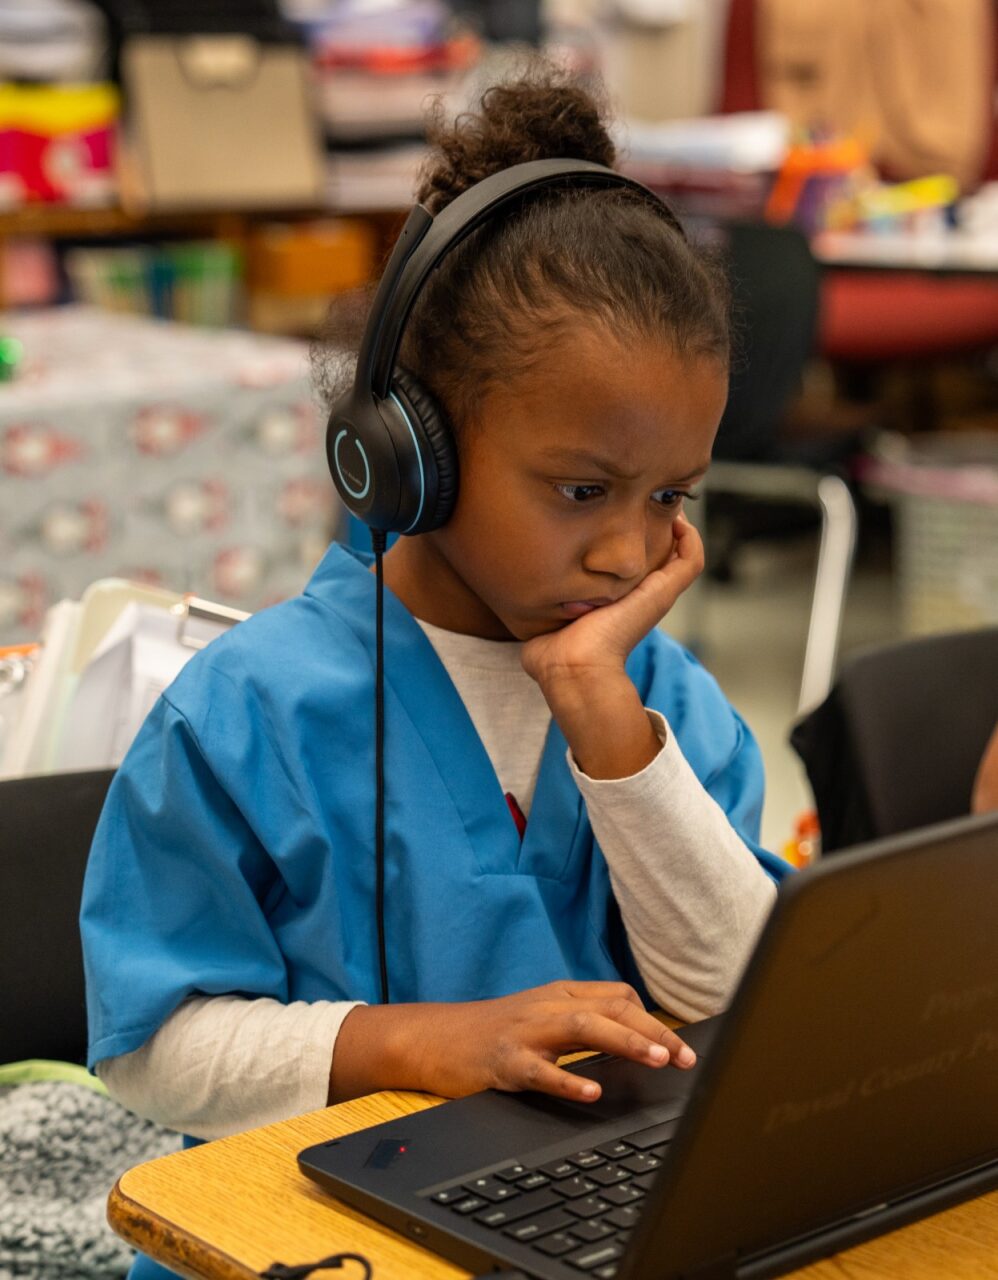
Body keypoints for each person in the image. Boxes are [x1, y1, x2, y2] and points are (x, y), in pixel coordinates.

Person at [80, 64, 789, 1279]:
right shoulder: (250, 709)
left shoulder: (662, 706)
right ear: (411, 448)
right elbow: (153, 1048)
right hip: (288, 1242)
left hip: (565, 1234)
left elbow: (739, 1004)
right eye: (579, 490)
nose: (627, 551)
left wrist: (607, 728)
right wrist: (411, 1044)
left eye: (668, 495)